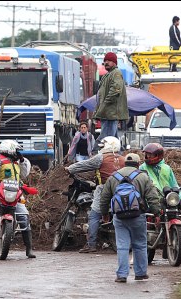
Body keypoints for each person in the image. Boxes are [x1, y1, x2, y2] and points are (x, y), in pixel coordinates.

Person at [100, 153, 161, 283]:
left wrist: (104, 213)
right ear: (138, 164)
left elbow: (104, 197)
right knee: (139, 245)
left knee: (122, 246)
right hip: (138, 216)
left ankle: (122, 275)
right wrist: (157, 214)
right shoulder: (143, 176)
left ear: (124, 164)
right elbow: (152, 197)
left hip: (119, 217)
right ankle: (140, 273)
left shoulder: (113, 177)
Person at [65, 136, 125, 253]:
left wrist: (70, 169)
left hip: (104, 189)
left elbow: (84, 165)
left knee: (94, 215)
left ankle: (91, 244)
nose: (100, 148)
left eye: (102, 146)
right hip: (123, 190)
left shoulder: (101, 158)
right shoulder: (123, 159)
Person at [0, 139, 36, 258]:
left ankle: (29, 248)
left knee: (24, 217)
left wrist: (22, 161)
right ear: (10, 149)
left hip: (15, 194)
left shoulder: (18, 162)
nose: (18, 153)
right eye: (17, 150)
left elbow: (24, 174)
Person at [93, 52, 128, 151]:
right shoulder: (107, 75)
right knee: (114, 140)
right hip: (107, 113)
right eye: (105, 61)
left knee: (106, 139)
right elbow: (101, 96)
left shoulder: (116, 73)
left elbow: (115, 91)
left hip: (110, 113)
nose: (106, 63)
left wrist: (103, 105)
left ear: (115, 62)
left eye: (109, 60)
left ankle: (94, 154)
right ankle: (119, 159)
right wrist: (99, 109)